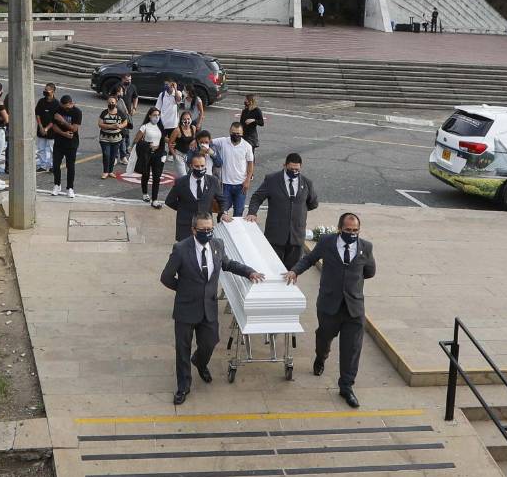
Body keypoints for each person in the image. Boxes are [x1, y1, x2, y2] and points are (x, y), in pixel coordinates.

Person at [160, 212, 264, 405]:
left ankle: (199, 362)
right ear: (193, 230)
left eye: (210, 229)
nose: (207, 233)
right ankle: (183, 385)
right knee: (182, 349)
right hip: (186, 309)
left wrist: (249, 272)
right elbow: (166, 277)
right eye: (203, 230)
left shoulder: (217, 245)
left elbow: (228, 264)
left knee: (210, 342)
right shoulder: (181, 249)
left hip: (208, 307)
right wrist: (183, 291)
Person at [284, 212, 375, 408]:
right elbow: (309, 259)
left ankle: (346, 387)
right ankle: (320, 357)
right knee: (324, 337)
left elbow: (370, 271)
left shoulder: (365, 247)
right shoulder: (327, 242)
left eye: (355, 230)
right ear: (339, 229)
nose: (352, 233)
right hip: (329, 306)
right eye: (348, 230)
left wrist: (351, 283)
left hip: (354, 308)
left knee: (352, 349)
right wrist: (294, 271)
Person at [247, 152, 319, 269]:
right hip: (275, 236)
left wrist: (299, 211)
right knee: (272, 269)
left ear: (301, 167)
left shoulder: (307, 183)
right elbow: (257, 197)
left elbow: (313, 203)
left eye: (297, 169)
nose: (294, 172)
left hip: (296, 237)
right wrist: (252, 212)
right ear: (284, 165)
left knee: (291, 272)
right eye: (291, 169)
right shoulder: (272, 180)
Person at [163, 152, 218, 242]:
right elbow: (169, 200)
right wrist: (183, 208)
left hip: (205, 226)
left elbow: (221, 198)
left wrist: (224, 212)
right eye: (197, 166)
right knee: (185, 253)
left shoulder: (213, 181)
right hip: (185, 225)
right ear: (191, 166)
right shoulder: (181, 182)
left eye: (202, 166)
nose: (200, 168)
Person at [212, 122, 255, 217]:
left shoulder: (247, 146)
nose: (236, 135)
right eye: (233, 133)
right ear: (229, 132)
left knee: (239, 212)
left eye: (238, 133)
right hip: (225, 185)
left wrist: (247, 180)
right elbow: (207, 141)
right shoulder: (223, 141)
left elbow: (250, 165)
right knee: (223, 212)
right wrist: (196, 141)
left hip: (241, 186)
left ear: (242, 133)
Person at [133, 107, 166, 208]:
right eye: (154, 115)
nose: (157, 117)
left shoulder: (161, 127)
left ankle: (155, 200)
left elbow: (162, 140)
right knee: (146, 175)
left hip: (158, 154)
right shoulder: (145, 127)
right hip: (146, 154)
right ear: (150, 116)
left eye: (158, 115)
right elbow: (136, 140)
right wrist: (147, 145)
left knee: (157, 177)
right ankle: (145, 193)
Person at [50, 94, 81, 198]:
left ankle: (70, 188)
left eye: (67, 107)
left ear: (71, 103)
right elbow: (54, 126)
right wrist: (63, 134)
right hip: (59, 142)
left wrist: (62, 121)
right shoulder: (57, 109)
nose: (65, 110)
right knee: (55, 165)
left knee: (70, 166)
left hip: (72, 143)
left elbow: (74, 129)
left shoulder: (77, 112)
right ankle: (57, 185)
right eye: (63, 107)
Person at [97, 94, 127, 179]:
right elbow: (100, 124)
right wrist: (111, 126)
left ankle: (110, 171)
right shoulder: (104, 113)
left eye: (113, 102)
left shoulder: (120, 113)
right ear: (107, 103)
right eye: (109, 102)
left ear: (116, 103)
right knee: (106, 155)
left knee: (113, 156)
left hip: (116, 139)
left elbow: (125, 122)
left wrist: (120, 126)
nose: (111, 104)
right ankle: (105, 172)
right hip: (104, 138)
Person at [34, 82, 58, 172]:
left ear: (53, 91)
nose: (45, 91)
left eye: (47, 90)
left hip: (52, 130)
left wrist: (47, 128)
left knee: (52, 149)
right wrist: (40, 126)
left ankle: (52, 165)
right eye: (45, 89)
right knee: (41, 149)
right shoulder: (41, 101)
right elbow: (37, 114)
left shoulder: (56, 103)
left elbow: (55, 119)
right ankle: (42, 165)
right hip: (41, 129)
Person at [168, 111, 197, 178]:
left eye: (188, 119)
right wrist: (175, 155)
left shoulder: (193, 128)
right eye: (184, 119)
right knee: (183, 176)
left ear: (191, 119)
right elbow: (170, 143)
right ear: (181, 120)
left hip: (189, 155)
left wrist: (194, 141)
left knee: (190, 175)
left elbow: (194, 138)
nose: (186, 121)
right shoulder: (177, 130)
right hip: (179, 155)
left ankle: (178, 186)